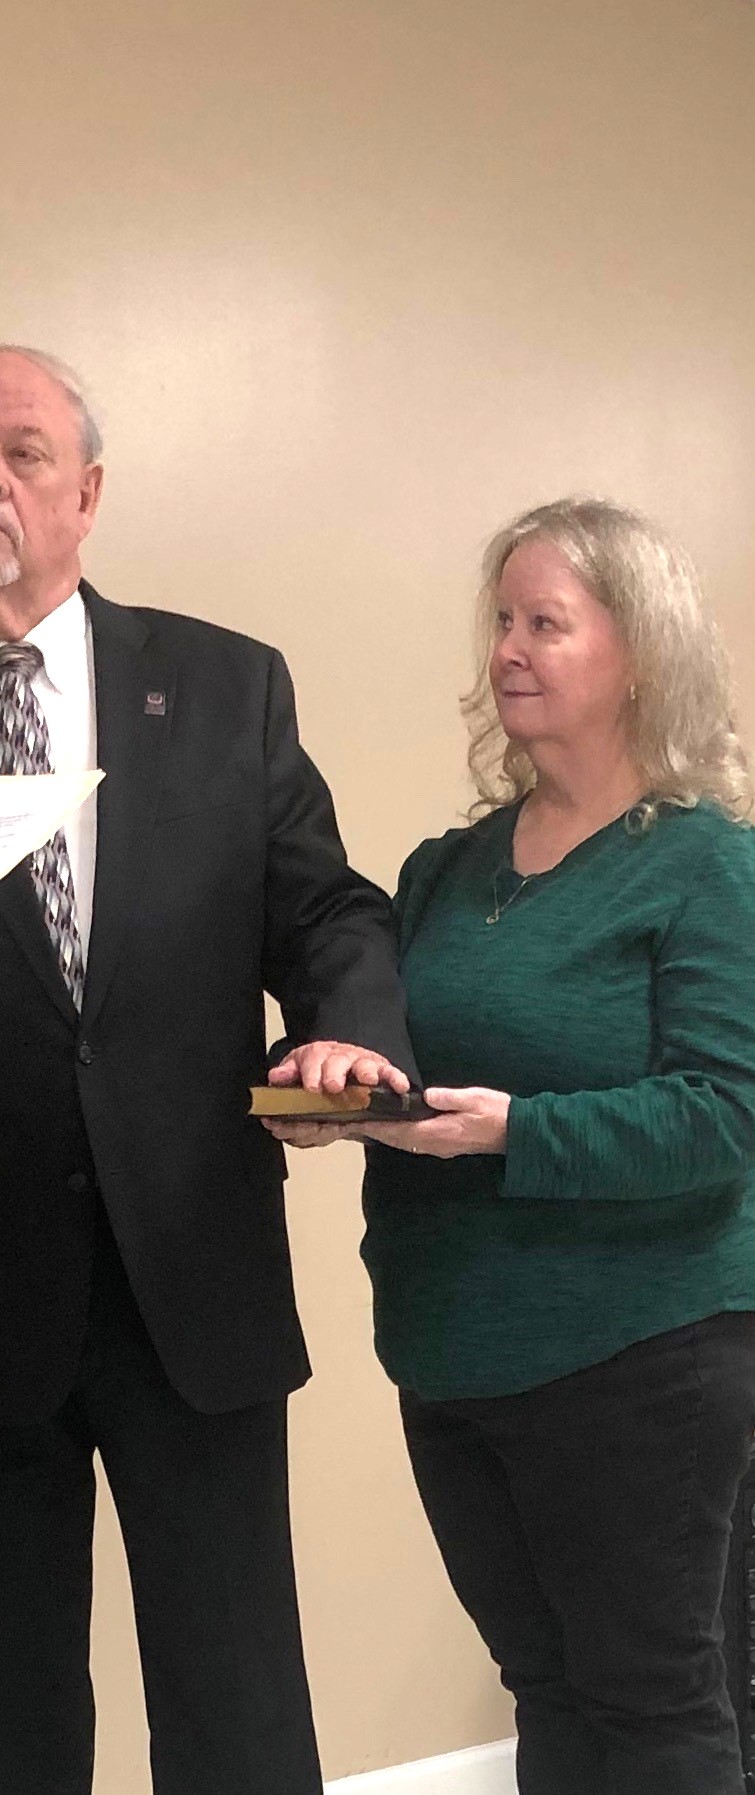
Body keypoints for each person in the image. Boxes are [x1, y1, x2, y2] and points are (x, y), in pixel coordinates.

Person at [0, 343, 417, 1795]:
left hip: (191, 1261)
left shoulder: (225, 685)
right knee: (10, 1708)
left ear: (87, 492)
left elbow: (325, 907)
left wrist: (349, 1026)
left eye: (25, 452)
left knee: (237, 1695)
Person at [266, 496, 755, 1795]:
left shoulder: (703, 865)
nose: (510, 651)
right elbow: (388, 1048)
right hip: (452, 1351)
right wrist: (328, 1089)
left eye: (548, 622)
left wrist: (511, 1134)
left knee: (653, 1705)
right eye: (501, 621)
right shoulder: (447, 869)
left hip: (639, 1355)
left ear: (637, 654)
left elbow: (724, 1116)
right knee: (546, 1690)